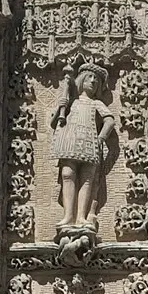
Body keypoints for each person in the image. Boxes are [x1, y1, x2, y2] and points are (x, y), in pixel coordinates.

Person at [51, 65, 116, 230]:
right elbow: (54, 122)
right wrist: (60, 105)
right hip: (70, 141)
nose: (93, 81)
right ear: (81, 80)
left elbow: (109, 120)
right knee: (67, 174)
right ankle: (68, 216)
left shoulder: (96, 103)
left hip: (89, 142)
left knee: (87, 179)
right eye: (89, 77)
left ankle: (81, 216)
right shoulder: (71, 102)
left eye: (97, 80)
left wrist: (101, 138)